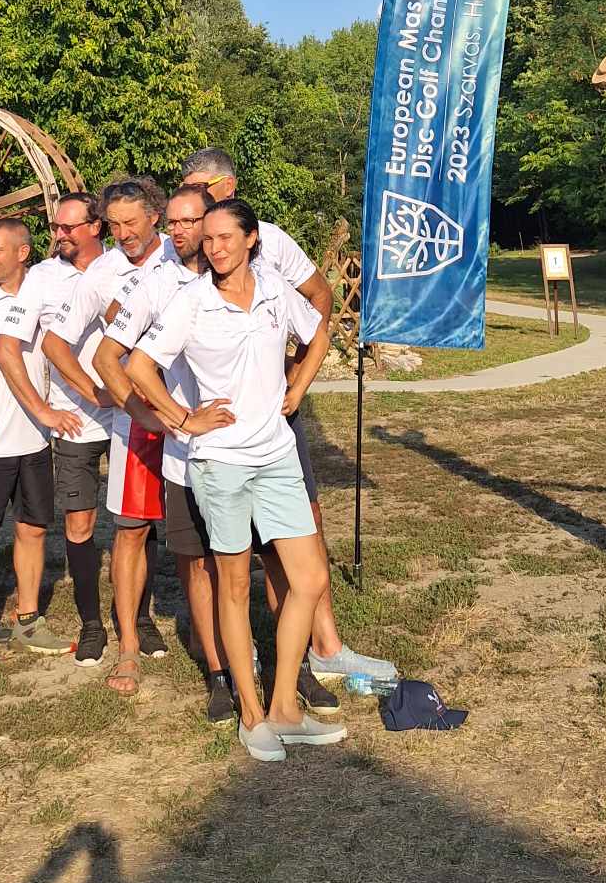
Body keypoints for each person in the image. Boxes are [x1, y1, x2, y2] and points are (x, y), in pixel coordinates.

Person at [126, 199, 346, 764]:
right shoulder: (192, 302)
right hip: (219, 463)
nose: (215, 247)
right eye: (209, 238)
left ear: (251, 240)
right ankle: (252, 715)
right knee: (234, 585)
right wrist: (182, 419)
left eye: (226, 237)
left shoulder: (274, 288)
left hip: (277, 456)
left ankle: (284, 707)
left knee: (310, 578)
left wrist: (298, 388)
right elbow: (138, 366)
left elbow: (319, 330)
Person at [180, 147, 397, 694]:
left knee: (300, 531)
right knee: (218, 557)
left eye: (201, 187)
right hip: (210, 438)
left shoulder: (271, 240)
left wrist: (294, 382)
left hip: (272, 422)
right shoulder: (177, 251)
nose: (193, 210)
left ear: (228, 189)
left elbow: (319, 299)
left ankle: (321, 649)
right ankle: (236, 664)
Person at [95, 182, 237, 723]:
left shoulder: (238, 274)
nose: (179, 232)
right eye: (173, 223)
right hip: (155, 430)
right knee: (133, 532)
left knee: (213, 546)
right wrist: (151, 415)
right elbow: (107, 358)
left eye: (188, 222)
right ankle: (129, 647)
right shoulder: (154, 283)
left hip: (221, 437)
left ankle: (213, 641)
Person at [43, 178, 169, 687]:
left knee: (168, 525)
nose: (122, 234)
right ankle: (120, 637)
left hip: (186, 412)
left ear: (155, 216)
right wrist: (96, 392)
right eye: (114, 225)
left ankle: (145, 617)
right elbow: (55, 343)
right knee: (129, 526)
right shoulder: (100, 274)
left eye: (130, 223)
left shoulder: (182, 259)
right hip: (131, 417)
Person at [0, 218, 82, 674]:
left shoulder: (42, 293)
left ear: (22, 253)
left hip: (33, 442)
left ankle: (28, 620)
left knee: (32, 531)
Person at [25, 193, 115, 668]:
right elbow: (11, 345)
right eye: (55, 227)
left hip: (126, 417)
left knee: (135, 522)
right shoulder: (41, 277)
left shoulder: (122, 267)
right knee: (79, 525)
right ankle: (92, 624)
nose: (58, 234)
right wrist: (57, 403)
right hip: (73, 419)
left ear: (96, 226)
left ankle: (139, 619)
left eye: (68, 227)